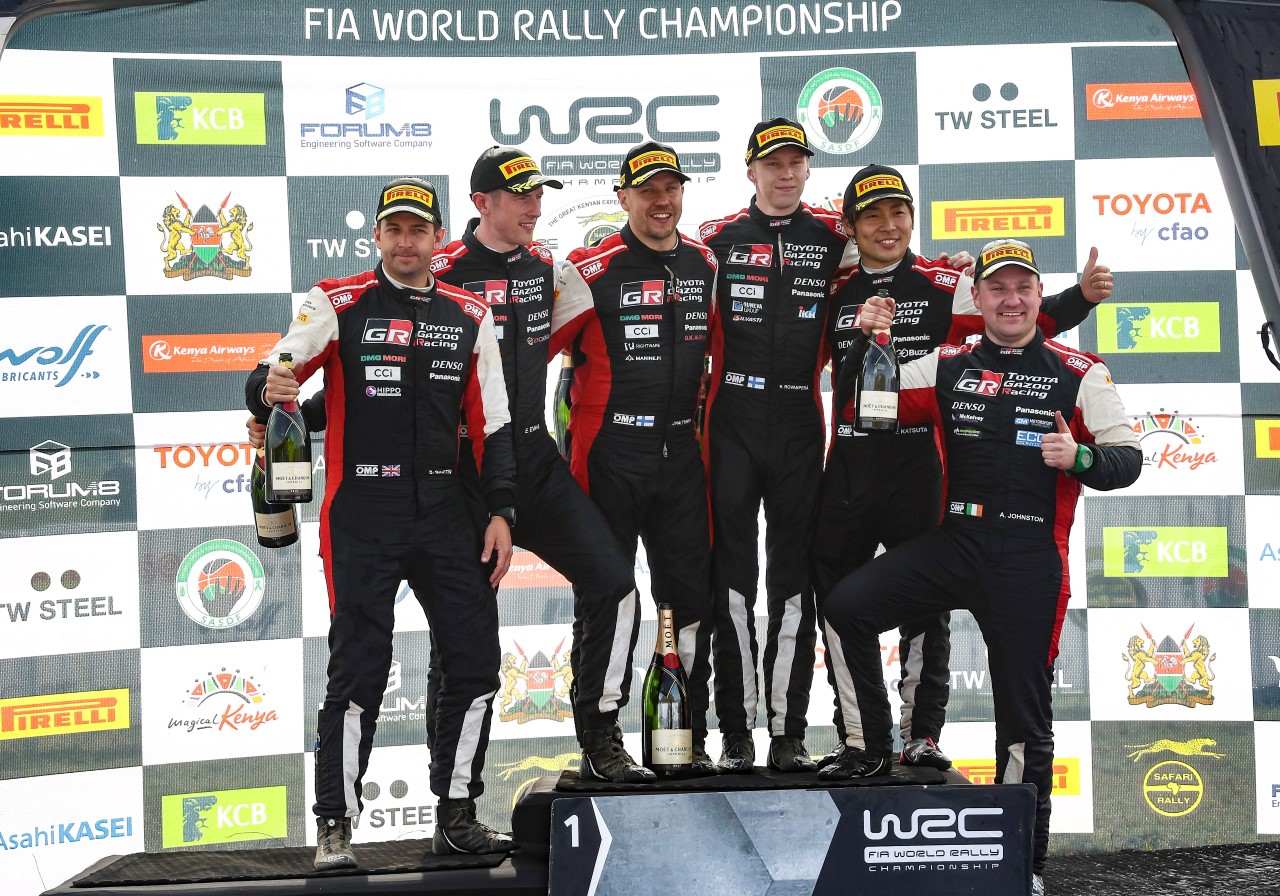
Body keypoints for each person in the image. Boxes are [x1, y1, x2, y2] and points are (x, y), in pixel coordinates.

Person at [820, 238, 1141, 896]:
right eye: (997, 288)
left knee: (1024, 721)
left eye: (1023, 287)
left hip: (1030, 560)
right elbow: (866, 407)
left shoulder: (1082, 372)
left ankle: (1024, 866)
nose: (1011, 300)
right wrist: (869, 343)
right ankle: (875, 747)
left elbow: (1128, 459)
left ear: (1038, 295)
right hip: (957, 544)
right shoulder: (948, 363)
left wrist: (1080, 459)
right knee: (847, 606)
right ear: (980, 296)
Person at [245, 177, 518, 870]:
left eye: (418, 230)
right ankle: (335, 825)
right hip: (362, 514)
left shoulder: (469, 313)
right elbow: (277, 367)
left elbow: (494, 425)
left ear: (438, 238)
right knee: (359, 668)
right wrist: (269, 387)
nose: (405, 242)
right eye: (393, 229)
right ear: (377, 236)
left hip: (448, 514)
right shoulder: (337, 301)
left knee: (476, 662)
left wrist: (500, 512)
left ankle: (457, 814)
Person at [813, 165, 1114, 772]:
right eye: (871, 216)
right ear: (850, 225)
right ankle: (861, 740)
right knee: (840, 605)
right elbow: (809, 371)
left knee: (926, 609)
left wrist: (1080, 297)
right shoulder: (833, 289)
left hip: (918, 468)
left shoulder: (947, 280)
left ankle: (920, 733)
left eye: (898, 212)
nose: (887, 226)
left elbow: (1020, 319)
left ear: (912, 218)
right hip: (849, 467)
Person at [431, 146, 651, 784]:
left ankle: (600, 739)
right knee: (463, 641)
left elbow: (571, 338)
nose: (534, 206)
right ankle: (455, 802)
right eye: (520, 196)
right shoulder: (441, 270)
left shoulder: (549, 269)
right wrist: (295, 409)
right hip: (464, 475)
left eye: (538, 195)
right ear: (482, 203)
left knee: (614, 583)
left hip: (534, 459)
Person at [549, 141, 719, 774]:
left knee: (688, 602)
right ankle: (600, 739)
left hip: (681, 456)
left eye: (671, 188)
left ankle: (682, 739)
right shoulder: (589, 270)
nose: (662, 201)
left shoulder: (704, 263)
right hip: (609, 454)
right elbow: (521, 354)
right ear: (623, 198)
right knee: (609, 598)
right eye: (647, 191)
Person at [694, 118, 852, 774]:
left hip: (797, 420)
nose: (785, 174)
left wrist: (956, 269)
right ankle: (735, 732)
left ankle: (787, 733)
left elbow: (898, 271)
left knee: (793, 583)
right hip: (730, 418)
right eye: (772, 164)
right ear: (751, 170)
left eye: (796, 163)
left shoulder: (835, 237)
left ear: (808, 168)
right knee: (731, 581)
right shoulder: (715, 240)